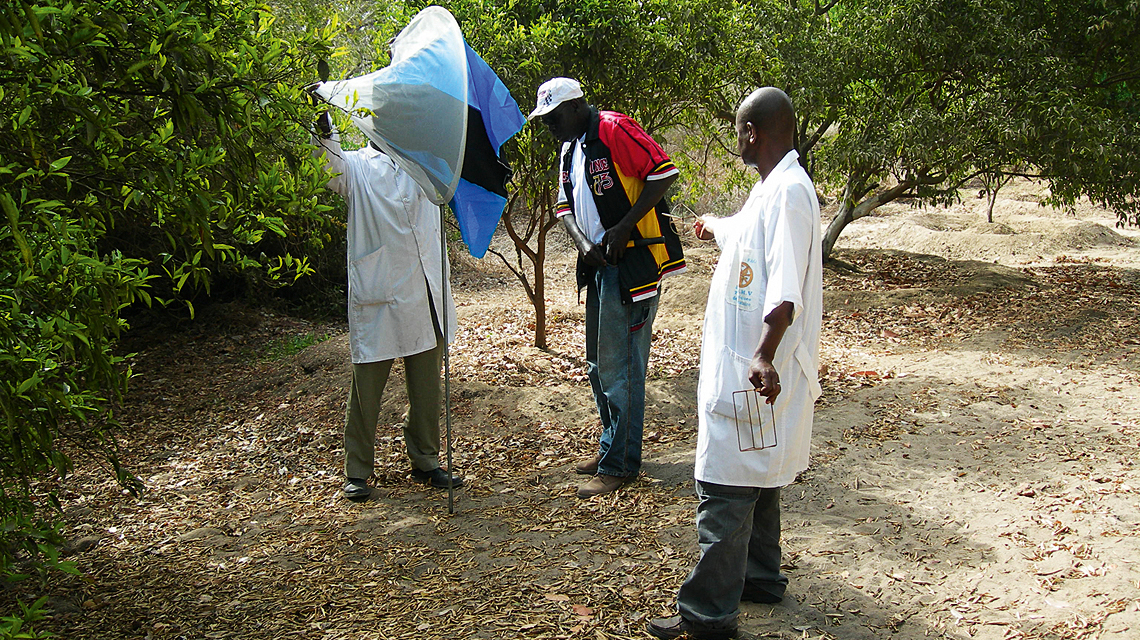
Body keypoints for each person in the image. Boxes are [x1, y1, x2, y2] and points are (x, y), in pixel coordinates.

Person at [648, 87, 822, 639]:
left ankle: (707, 615)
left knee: (724, 484)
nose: (737, 140)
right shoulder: (770, 190)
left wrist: (763, 355)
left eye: (740, 131)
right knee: (760, 470)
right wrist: (712, 225)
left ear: (752, 133)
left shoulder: (791, 193)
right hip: (749, 364)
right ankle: (761, 577)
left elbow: (786, 289)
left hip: (754, 366)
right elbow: (745, 235)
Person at [530, 77, 687, 499]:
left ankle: (621, 464)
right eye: (545, 120)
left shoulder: (614, 129)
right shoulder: (568, 150)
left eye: (554, 116)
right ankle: (610, 448)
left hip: (632, 264)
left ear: (577, 106)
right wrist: (585, 245)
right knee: (599, 366)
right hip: (598, 265)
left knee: (623, 367)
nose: (550, 126)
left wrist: (623, 226)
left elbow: (663, 174)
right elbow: (565, 208)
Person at [311, 109, 464, 501]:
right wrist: (323, 126)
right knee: (367, 386)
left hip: (424, 289)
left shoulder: (423, 164)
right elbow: (329, 169)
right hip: (381, 293)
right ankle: (358, 469)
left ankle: (426, 459)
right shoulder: (358, 166)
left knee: (427, 384)